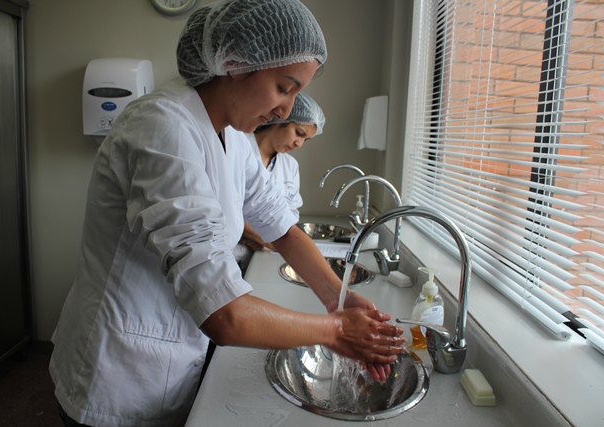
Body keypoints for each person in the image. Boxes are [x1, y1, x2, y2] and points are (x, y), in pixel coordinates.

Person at [49, 1, 406, 426]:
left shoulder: (234, 136)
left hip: (173, 356)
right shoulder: (162, 127)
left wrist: (337, 297)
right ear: (236, 63)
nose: (286, 110)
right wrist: (339, 331)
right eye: (284, 87)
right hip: (117, 370)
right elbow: (225, 315)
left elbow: (281, 227)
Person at [237, 91, 324, 257]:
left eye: (306, 140)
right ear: (280, 120)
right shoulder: (239, 147)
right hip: (231, 252)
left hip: (264, 254)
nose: (299, 144)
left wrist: (261, 239)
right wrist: (265, 239)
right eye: (299, 133)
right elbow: (226, 209)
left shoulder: (290, 165)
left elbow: (289, 215)